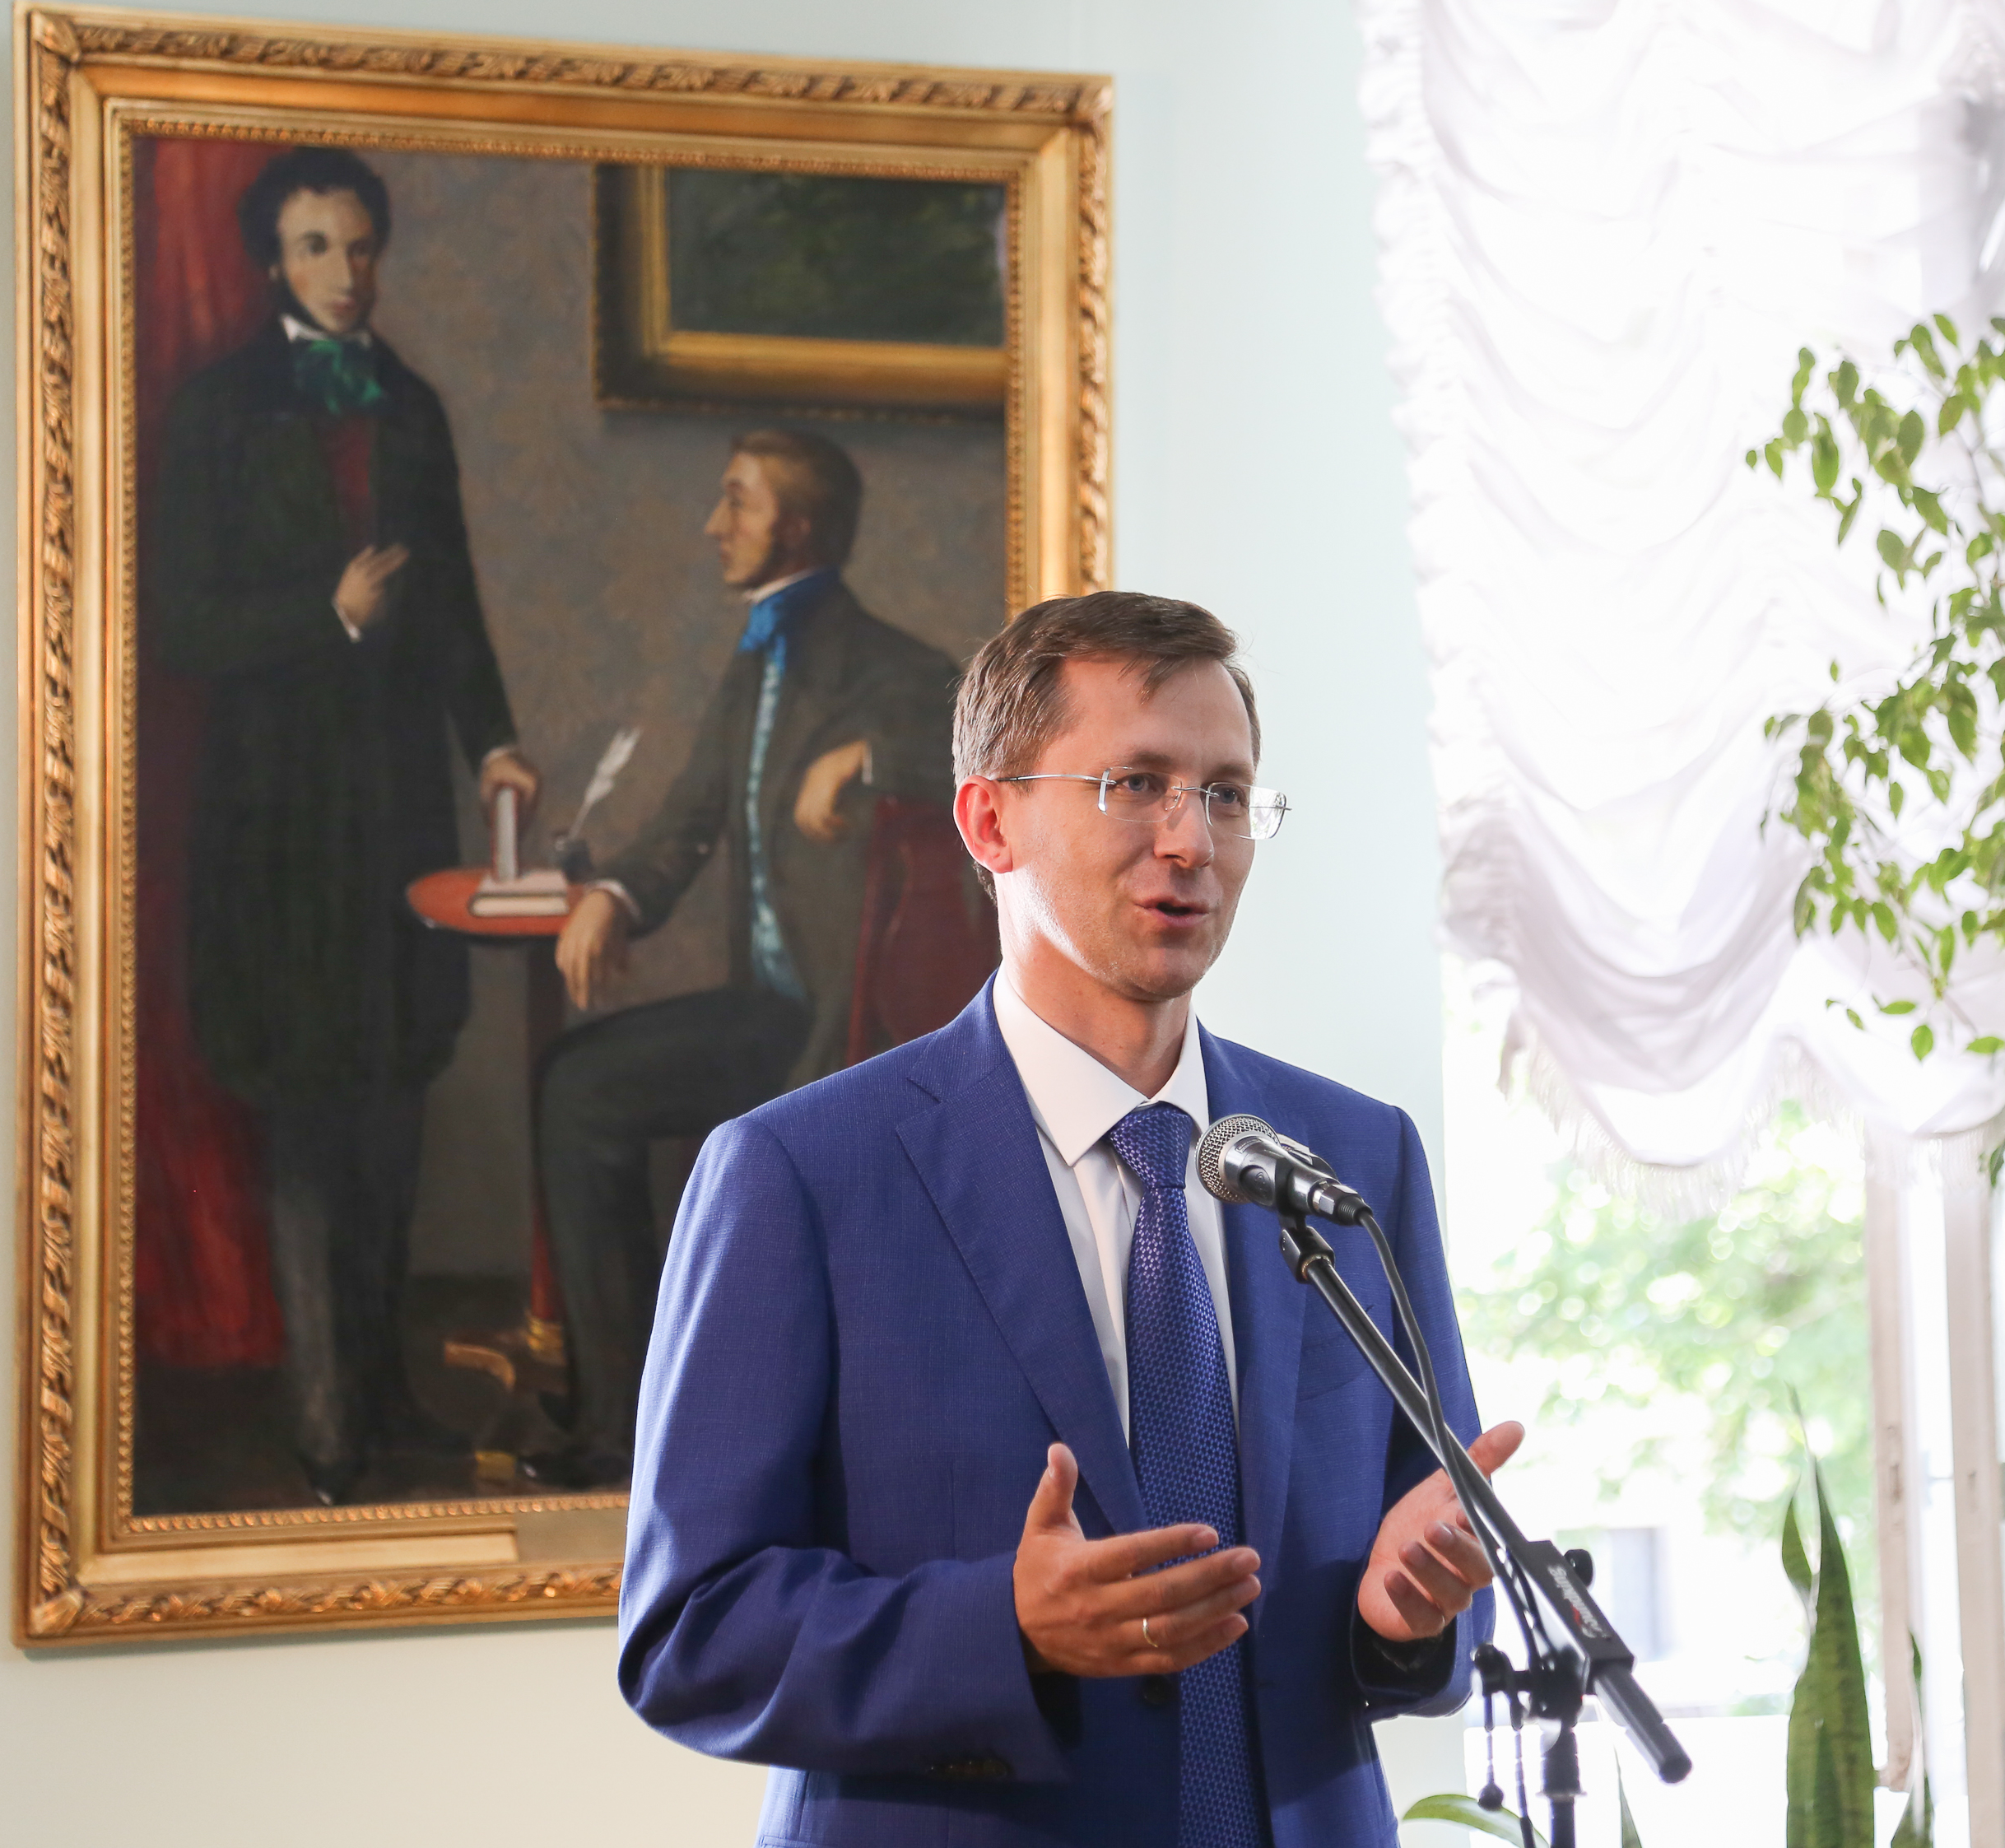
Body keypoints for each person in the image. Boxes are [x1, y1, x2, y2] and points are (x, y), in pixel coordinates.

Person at [617, 592, 1525, 1847]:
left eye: (1224, 793)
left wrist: (1407, 1617)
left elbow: (1432, 1571)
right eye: (1135, 783)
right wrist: (1006, 1626)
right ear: (989, 820)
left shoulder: (1356, 1157)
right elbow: (689, 1632)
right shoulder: (798, 1174)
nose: (1190, 840)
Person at [147, 145, 542, 1506]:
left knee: (390, 1099)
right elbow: (177, 620)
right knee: (311, 1105)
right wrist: (325, 614)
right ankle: (326, 1428)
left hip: (394, 809)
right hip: (274, 817)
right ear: (274, 260)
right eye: (318, 245)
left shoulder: (411, 407)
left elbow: (454, 602)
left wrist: (493, 738)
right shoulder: (217, 409)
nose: (346, 269)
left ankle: (382, 1396)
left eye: (362, 245)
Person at [526, 427, 958, 1491]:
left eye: (737, 502)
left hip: (854, 1029)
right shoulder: (757, 659)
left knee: (592, 1094)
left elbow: (998, 754)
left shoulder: (893, 668)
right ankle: (628, 1418)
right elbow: (688, 820)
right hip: (769, 1013)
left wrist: (868, 755)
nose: (714, 524)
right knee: (575, 1084)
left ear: (795, 527)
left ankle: (681, 1429)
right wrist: (616, 897)